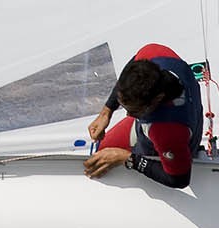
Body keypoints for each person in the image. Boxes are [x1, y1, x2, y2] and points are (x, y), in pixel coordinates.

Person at [84, 43, 202, 189]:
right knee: (101, 152)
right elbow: (131, 67)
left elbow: (179, 180)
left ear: (157, 99)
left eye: (133, 111)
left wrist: (126, 158)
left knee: (101, 162)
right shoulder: (154, 52)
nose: (127, 114)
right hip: (181, 120)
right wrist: (106, 112)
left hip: (170, 144)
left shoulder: (167, 134)